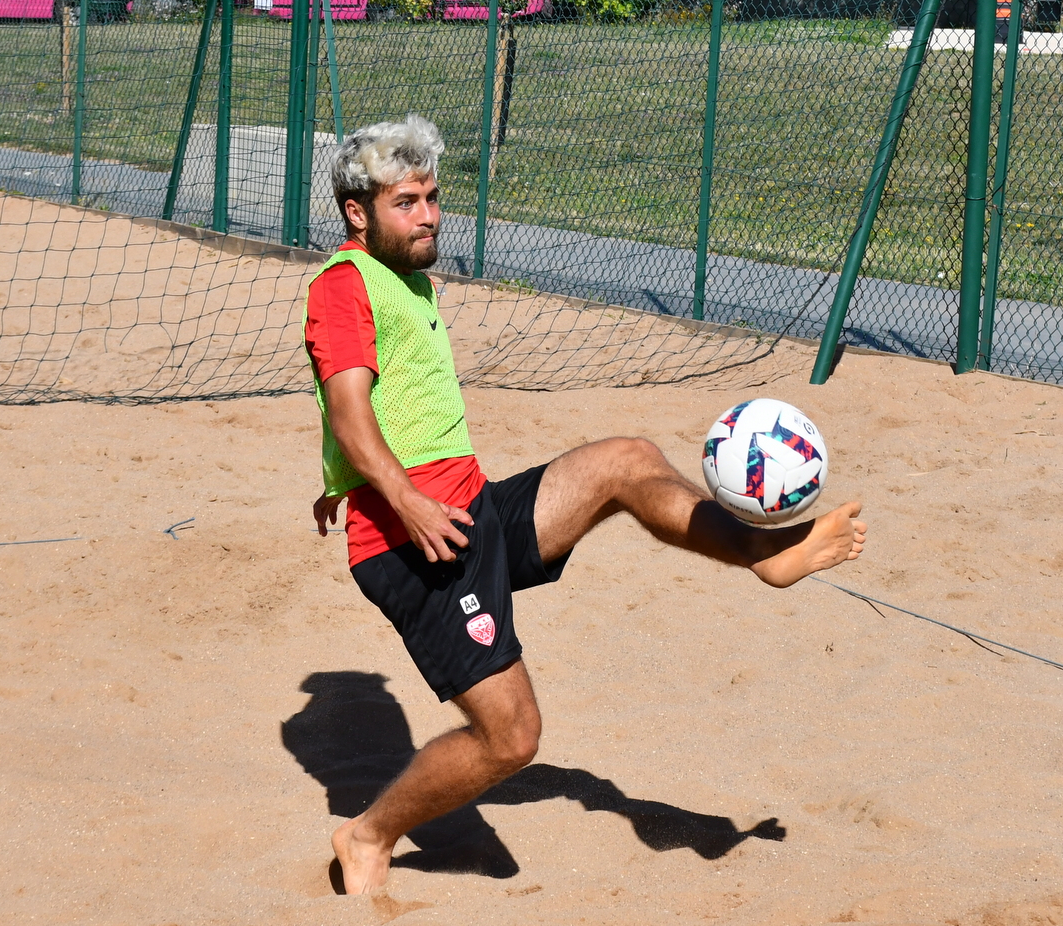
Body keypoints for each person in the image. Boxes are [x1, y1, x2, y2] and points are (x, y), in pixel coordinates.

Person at [303, 114, 866, 895]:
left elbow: (384, 411)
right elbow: (349, 410)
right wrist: (399, 498)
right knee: (512, 737)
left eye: (433, 197)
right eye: (407, 202)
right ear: (356, 213)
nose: (429, 215)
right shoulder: (342, 284)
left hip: (466, 510)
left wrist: (342, 478)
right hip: (418, 543)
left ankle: (763, 549)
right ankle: (366, 833)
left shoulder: (409, 280)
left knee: (625, 461)